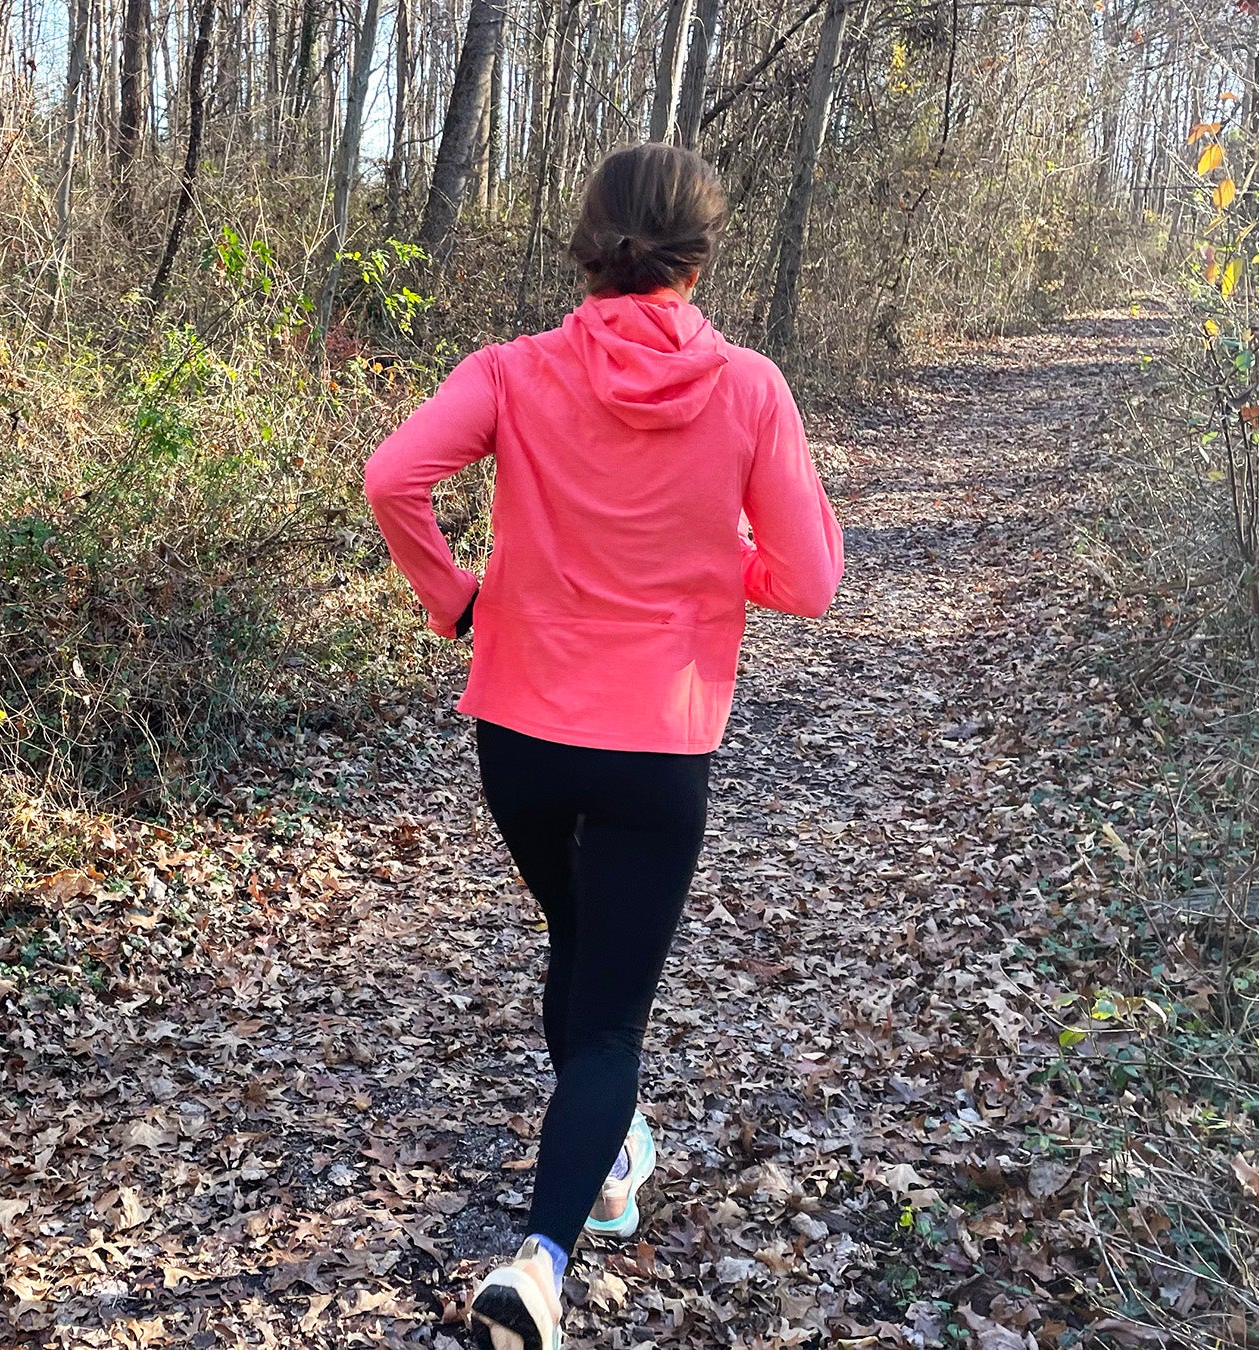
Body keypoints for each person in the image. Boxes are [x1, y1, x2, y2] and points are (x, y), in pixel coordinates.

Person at [361, 143, 844, 1350]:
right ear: (699, 252)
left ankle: (613, 1157)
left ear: (589, 240)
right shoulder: (748, 389)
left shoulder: (512, 371)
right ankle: (542, 1256)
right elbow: (812, 582)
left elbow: (392, 477)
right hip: (657, 748)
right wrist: (714, 558)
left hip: (520, 736)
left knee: (577, 941)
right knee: (611, 1015)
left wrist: (454, 595)